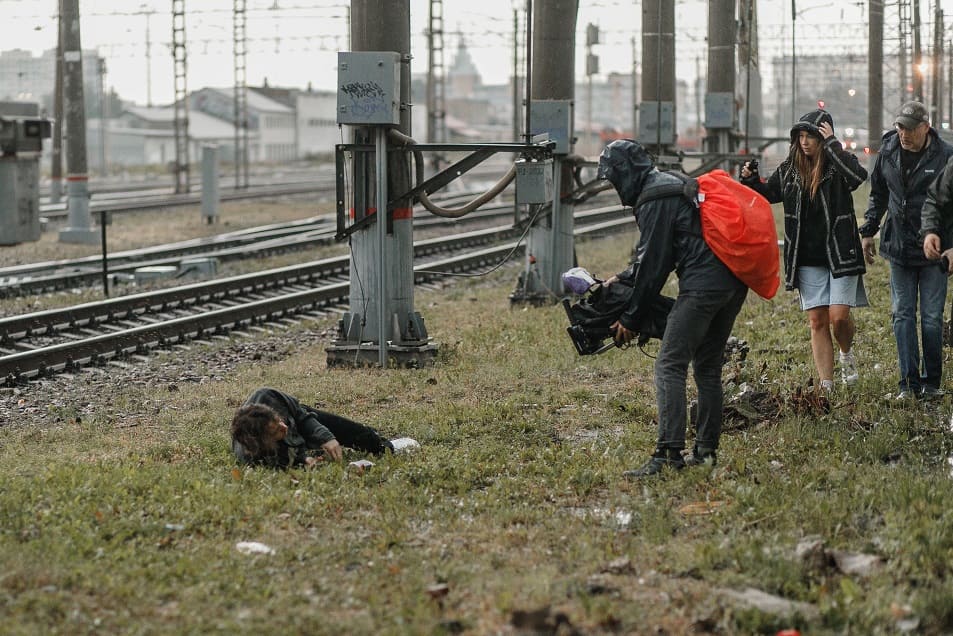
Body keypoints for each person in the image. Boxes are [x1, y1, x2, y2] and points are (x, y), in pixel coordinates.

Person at [597, 139, 749, 478]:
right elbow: (659, 253)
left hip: (703, 286)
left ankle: (668, 454)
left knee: (669, 364)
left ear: (625, 173)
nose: (614, 187)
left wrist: (630, 318)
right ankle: (706, 452)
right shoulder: (668, 183)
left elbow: (654, 266)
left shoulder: (653, 197)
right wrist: (622, 277)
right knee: (707, 367)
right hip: (732, 281)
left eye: (613, 179)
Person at [741, 109, 868, 393]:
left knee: (839, 317)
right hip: (806, 257)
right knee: (817, 321)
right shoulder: (790, 168)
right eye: (800, 136)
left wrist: (833, 144)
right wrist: (751, 180)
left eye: (810, 136)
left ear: (824, 137)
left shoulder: (838, 165)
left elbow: (857, 177)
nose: (804, 142)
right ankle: (827, 385)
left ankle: (846, 353)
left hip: (840, 252)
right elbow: (769, 194)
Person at [860, 101, 953, 399]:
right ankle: (908, 384)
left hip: (934, 249)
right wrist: (869, 230)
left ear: (926, 127)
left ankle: (931, 383)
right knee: (902, 314)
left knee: (931, 317)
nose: (904, 133)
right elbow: (878, 193)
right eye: (900, 127)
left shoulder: (945, 156)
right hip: (898, 245)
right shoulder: (888, 151)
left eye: (910, 128)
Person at [231, 387, 394, 468]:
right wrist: (304, 460)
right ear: (265, 442)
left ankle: (381, 443)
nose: (283, 427)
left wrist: (326, 437)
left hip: (299, 418)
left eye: (279, 420)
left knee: (353, 432)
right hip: (287, 443)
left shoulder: (269, 396)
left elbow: (302, 417)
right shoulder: (255, 456)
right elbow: (285, 460)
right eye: (276, 431)